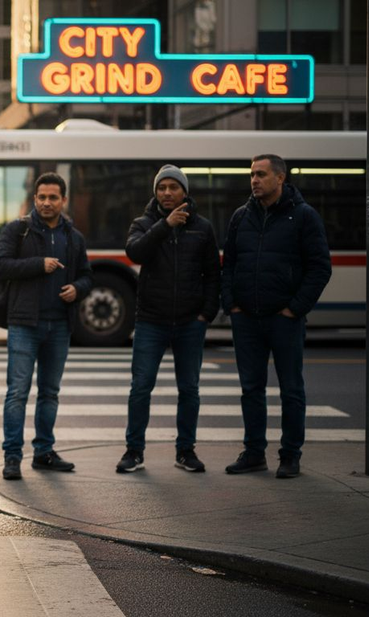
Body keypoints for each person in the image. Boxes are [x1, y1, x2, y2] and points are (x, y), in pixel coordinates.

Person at [221, 154, 331, 478]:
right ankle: (254, 453)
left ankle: (290, 456)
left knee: (291, 389)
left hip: (283, 319)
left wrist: (294, 309)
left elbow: (320, 268)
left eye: (261, 174)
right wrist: (232, 306)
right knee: (251, 389)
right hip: (247, 319)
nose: (254, 180)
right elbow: (229, 266)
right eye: (252, 174)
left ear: (280, 178)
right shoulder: (241, 217)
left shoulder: (303, 216)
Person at [117, 165, 220, 474]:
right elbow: (135, 252)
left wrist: (206, 314)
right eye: (162, 188)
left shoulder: (202, 227)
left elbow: (213, 274)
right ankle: (134, 451)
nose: (167, 193)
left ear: (184, 192)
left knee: (189, 388)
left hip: (190, 321)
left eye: (173, 187)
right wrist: (165, 226)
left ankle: (186, 451)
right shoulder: (143, 223)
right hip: (151, 320)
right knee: (141, 387)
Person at [0, 172, 93, 481]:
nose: (47, 202)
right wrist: (39, 264)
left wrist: (78, 288)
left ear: (63, 200)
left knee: (50, 393)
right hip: (24, 323)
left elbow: (87, 275)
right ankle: (12, 457)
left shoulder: (73, 237)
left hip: (59, 324)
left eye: (53, 197)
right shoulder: (18, 230)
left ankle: (44, 452)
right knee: (18, 392)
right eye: (42, 197)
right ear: (34, 199)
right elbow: (0, 265)